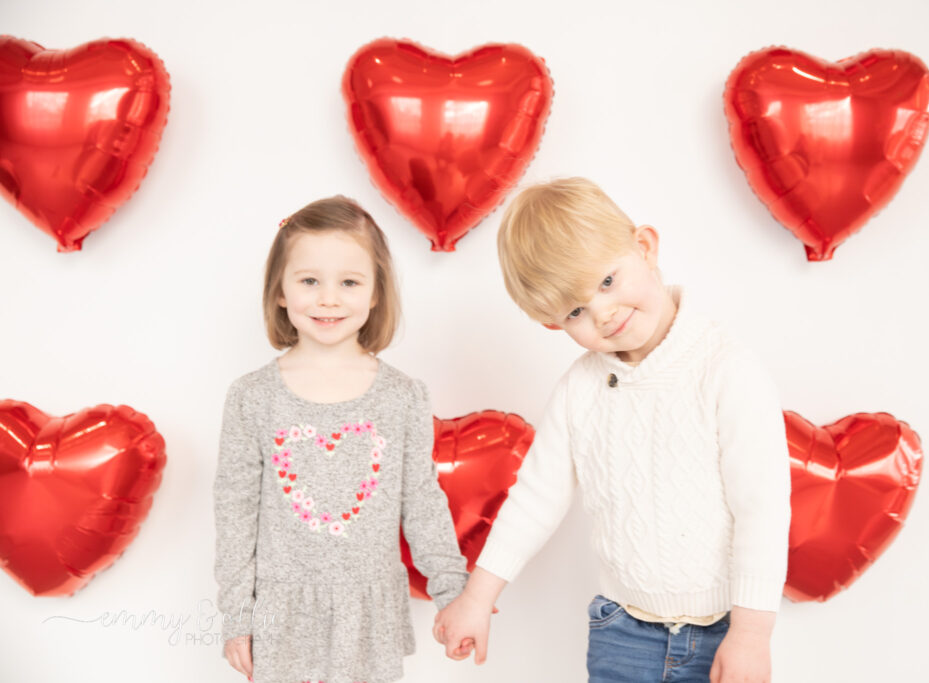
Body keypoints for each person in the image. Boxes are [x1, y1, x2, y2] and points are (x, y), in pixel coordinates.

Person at [433, 178, 791, 683]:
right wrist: (477, 597)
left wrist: (752, 636)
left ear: (644, 248)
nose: (603, 314)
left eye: (607, 282)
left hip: (724, 631)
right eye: (576, 311)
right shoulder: (580, 390)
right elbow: (535, 499)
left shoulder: (727, 371)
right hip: (622, 632)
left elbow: (763, 509)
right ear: (553, 325)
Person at [214, 196, 467, 683]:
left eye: (349, 283)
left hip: (366, 612)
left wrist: (453, 591)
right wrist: (238, 617)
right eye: (309, 281)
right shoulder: (251, 397)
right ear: (281, 291)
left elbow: (422, 501)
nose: (328, 299)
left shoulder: (403, 396)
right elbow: (235, 514)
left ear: (375, 293)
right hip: (282, 612)